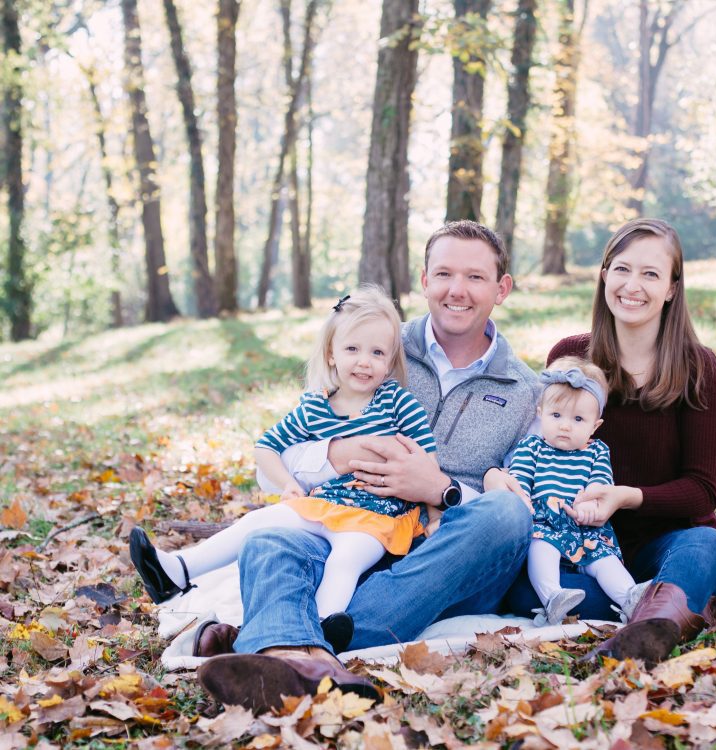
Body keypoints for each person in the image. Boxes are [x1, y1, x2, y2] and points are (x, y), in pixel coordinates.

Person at [195, 221, 540, 714]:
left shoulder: (525, 391)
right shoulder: (370, 344)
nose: (456, 290)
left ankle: (275, 632)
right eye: (443, 273)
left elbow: (518, 506)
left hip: (437, 559)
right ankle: (306, 662)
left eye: (475, 277)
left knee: (506, 514)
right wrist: (340, 454)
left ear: (501, 288)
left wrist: (441, 489)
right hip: (351, 531)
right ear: (424, 280)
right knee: (269, 540)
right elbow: (280, 453)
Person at [505, 218, 716, 664]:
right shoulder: (572, 357)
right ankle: (709, 611)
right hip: (584, 549)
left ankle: (639, 636)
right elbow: (539, 447)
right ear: (604, 276)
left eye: (651, 274)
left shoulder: (699, 369)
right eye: (622, 269)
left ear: (673, 288)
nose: (632, 285)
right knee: (521, 585)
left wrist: (624, 496)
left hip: (673, 550)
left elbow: (701, 491)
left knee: (708, 546)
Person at [129, 286, 441, 652]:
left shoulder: (396, 402)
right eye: (352, 349)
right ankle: (177, 570)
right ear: (331, 353)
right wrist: (288, 484)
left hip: (380, 514)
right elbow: (266, 447)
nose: (364, 361)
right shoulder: (315, 408)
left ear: (390, 361)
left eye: (377, 353)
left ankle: (326, 627)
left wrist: (433, 515)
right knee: (256, 522)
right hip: (325, 504)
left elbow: (427, 464)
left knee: (346, 560)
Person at [490, 356, 648, 627]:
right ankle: (553, 596)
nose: (565, 425)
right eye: (556, 415)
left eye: (577, 419)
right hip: (544, 521)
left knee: (604, 560)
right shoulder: (532, 447)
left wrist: (591, 506)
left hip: (583, 525)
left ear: (595, 425)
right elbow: (520, 480)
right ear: (540, 413)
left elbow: (600, 484)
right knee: (542, 548)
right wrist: (523, 501)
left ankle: (630, 598)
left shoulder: (597, 451)